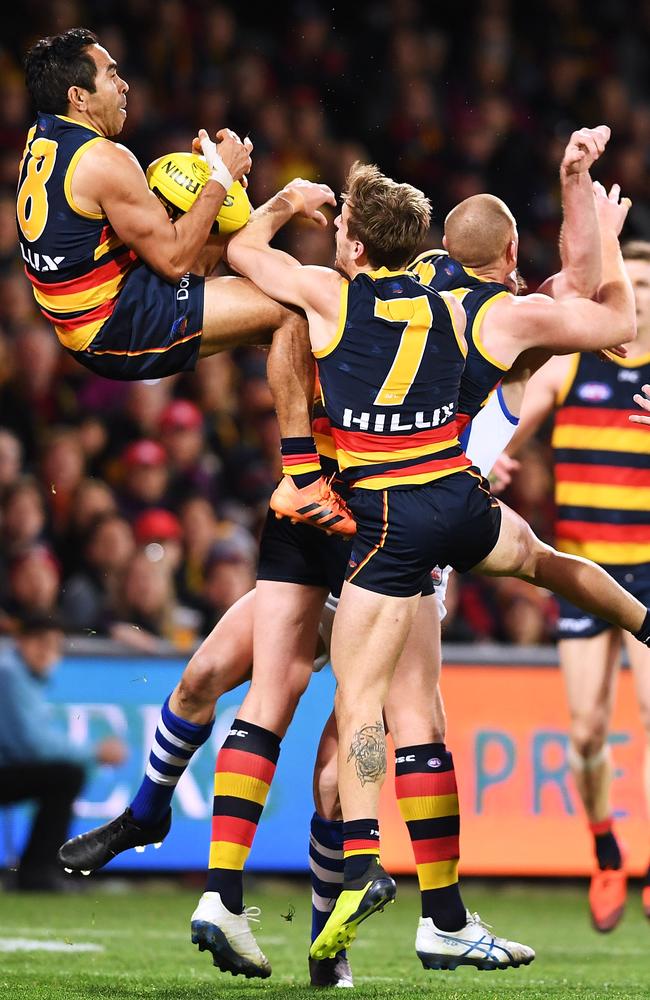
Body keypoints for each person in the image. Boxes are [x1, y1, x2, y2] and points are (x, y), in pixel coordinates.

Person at [60, 129, 647, 979]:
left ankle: (345, 932)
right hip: (372, 513)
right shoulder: (481, 310)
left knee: (354, 747)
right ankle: (218, 857)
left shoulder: (394, 300)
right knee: (221, 676)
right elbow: (592, 294)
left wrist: (249, 201)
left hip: (395, 534)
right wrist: (576, 186)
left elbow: (258, 270)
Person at [221, 155, 650, 967]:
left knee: (363, 706)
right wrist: (595, 224)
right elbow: (599, 314)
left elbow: (246, 255)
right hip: (464, 502)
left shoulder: (342, 293)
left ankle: (358, 862)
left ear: (362, 245)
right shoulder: (484, 311)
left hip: (391, 524)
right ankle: (644, 621)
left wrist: (278, 205)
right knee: (547, 565)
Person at [18, 28, 351, 533]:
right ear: (79, 97)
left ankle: (321, 437)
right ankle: (304, 482)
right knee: (289, 311)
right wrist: (218, 178)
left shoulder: (42, 139)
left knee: (215, 217)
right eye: (111, 74)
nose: (125, 85)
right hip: (114, 324)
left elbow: (172, 253)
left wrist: (216, 185)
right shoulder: (105, 160)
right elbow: (175, 261)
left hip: (108, 300)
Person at [489, 239, 650, 932]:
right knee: (586, 732)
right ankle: (606, 850)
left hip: (647, 570)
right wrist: (490, 458)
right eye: (628, 279)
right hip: (585, 570)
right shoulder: (577, 356)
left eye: (644, 281)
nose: (636, 293)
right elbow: (522, 417)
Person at [0, 612, 126, 890]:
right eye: (41, 643)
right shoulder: (9, 673)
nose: (48, 653)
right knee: (66, 777)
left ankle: (38, 871)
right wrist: (95, 752)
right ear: (21, 641)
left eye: (54, 646)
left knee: (63, 776)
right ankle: (37, 873)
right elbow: (33, 745)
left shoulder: (18, 673)